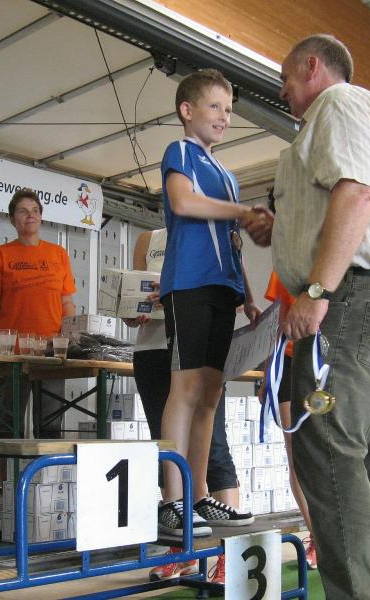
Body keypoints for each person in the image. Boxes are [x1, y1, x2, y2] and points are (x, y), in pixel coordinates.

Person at [246, 35, 370, 599]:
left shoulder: (337, 103)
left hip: (354, 298)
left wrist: (317, 290)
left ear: (311, 66)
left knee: (324, 439)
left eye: (285, 80)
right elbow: (342, 199)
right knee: (367, 450)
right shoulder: (343, 116)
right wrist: (283, 230)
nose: (282, 92)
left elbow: (356, 194)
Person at [157, 69, 261, 539]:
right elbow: (183, 202)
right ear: (187, 110)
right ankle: (172, 500)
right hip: (189, 285)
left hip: (223, 290)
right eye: (215, 106)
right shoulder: (179, 152)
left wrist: (249, 296)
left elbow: (233, 240)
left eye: (229, 109)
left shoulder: (228, 176)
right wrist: (242, 211)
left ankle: (199, 496)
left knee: (212, 392)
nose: (225, 116)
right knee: (185, 388)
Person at [123, 229, 247, 584]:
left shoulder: (216, 232)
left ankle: (228, 554)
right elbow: (133, 298)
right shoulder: (148, 239)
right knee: (168, 450)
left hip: (196, 347)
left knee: (215, 449)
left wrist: (182, 297)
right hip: (152, 349)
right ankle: (183, 550)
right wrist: (136, 308)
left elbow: (234, 297)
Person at [0, 189, 76, 485]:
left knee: (51, 425)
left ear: (41, 217)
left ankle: (49, 490)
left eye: (35, 210)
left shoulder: (58, 255)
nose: (30, 215)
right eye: (22, 210)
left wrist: (72, 340)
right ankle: (4, 488)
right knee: (9, 424)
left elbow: (67, 303)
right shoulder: (2, 256)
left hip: (52, 354)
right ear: (12, 219)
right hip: (13, 354)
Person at [260, 271, 318, 570]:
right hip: (289, 358)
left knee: (350, 448)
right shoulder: (284, 263)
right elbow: (280, 320)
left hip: (330, 357)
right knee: (295, 451)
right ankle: (318, 538)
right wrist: (268, 372)